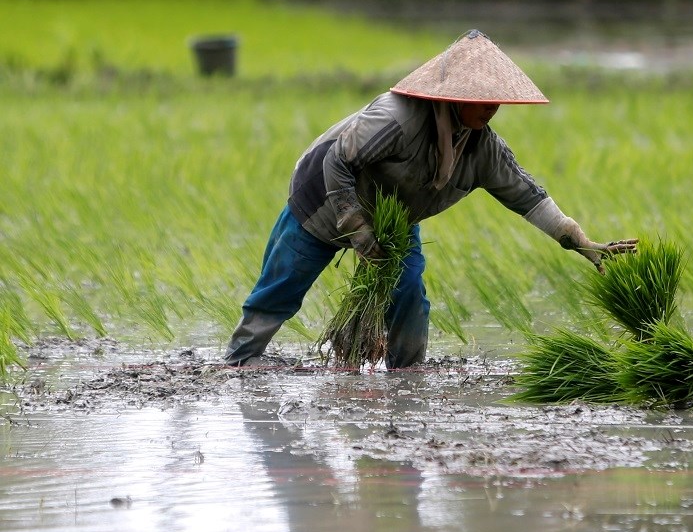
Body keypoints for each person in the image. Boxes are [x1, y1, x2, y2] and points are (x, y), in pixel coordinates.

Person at [224, 30, 637, 369]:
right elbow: (339, 161)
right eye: (480, 99)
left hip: (394, 218)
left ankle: (407, 374)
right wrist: (356, 229)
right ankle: (242, 359)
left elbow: (529, 198)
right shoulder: (396, 119)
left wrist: (580, 242)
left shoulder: (482, 148)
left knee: (408, 296)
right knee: (285, 279)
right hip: (323, 198)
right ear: (453, 96)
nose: (491, 109)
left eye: (496, 100)